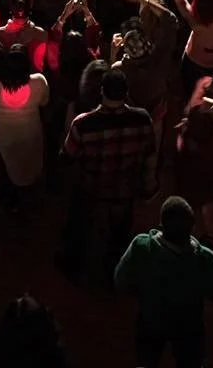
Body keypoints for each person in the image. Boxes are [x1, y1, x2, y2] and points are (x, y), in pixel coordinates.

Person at [61, 69, 155, 282]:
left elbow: (66, 156)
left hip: (91, 190)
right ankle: (113, 273)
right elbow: (149, 152)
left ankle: (75, 268)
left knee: (80, 229)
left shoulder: (83, 123)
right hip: (125, 190)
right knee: (119, 237)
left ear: (101, 92)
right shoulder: (142, 119)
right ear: (126, 93)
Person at [114, 195, 213, 368]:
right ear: (192, 226)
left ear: (161, 224)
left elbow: (120, 280)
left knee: (146, 361)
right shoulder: (205, 258)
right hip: (189, 326)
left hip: (151, 320)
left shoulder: (141, 247)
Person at [0, 46, 49, 191]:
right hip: (31, 129)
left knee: (12, 161)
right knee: (32, 157)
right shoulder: (39, 81)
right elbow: (45, 102)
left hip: (5, 133)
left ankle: (16, 191)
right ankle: (34, 189)